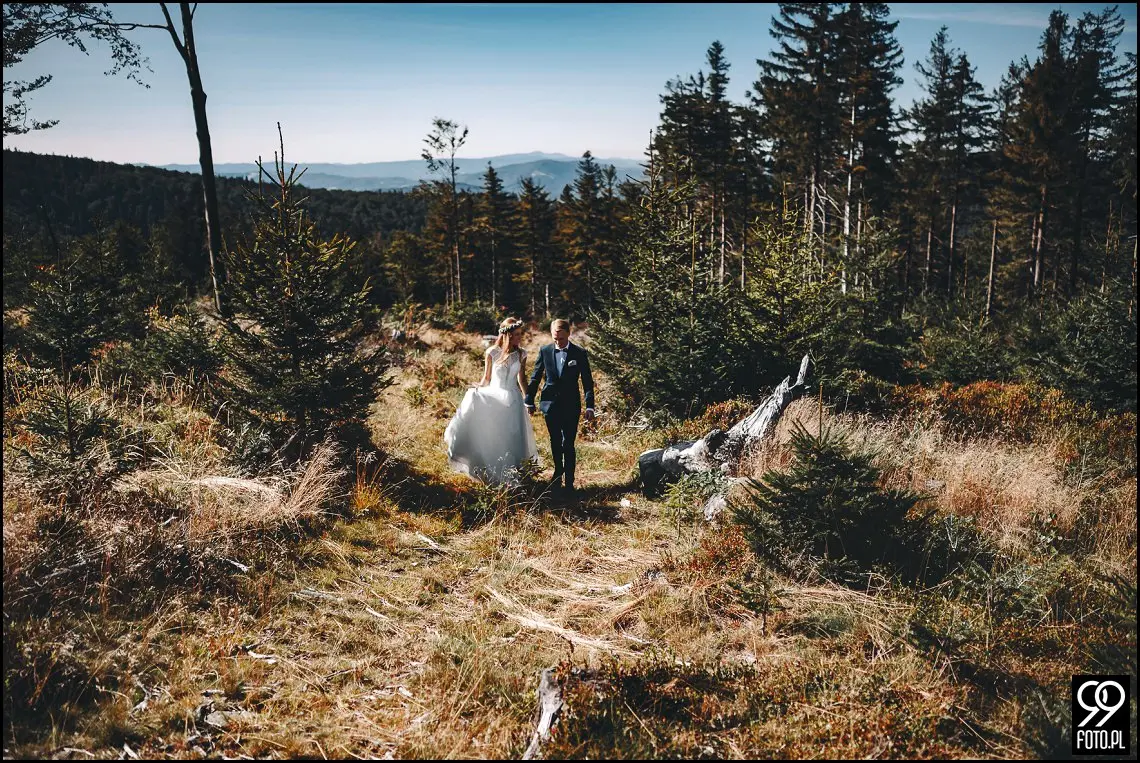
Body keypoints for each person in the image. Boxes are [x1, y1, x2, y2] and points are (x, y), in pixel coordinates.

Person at [443, 317, 539, 483]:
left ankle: (517, 472)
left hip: (514, 400)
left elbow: (522, 379)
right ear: (507, 335)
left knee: (515, 436)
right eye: (516, 334)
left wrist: (528, 399)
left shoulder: (522, 354)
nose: (519, 337)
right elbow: (486, 379)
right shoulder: (492, 353)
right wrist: (477, 389)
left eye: (520, 334)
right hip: (495, 397)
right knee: (497, 435)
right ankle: (493, 469)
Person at [526, 319, 595, 494]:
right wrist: (529, 400)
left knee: (568, 443)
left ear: (568, 334)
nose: (558, 341)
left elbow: (587, 381)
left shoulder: (579, 353)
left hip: (571, 405)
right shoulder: (545, 351)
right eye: (555, 337)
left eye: (561, 338)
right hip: (550, 404)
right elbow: (535, 377)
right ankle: (558, 474)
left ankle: (570, 481)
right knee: (555, 441)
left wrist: (590, 406)